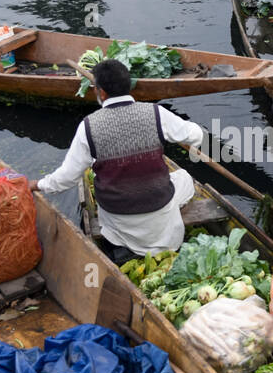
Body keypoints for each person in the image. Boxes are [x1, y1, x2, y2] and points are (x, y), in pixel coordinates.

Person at [29, 59, 205, 259]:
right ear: (128, 86)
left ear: (101, 93)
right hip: (160, 218)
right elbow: (196, 136)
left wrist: (38, 184)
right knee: (184, 178)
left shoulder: (88, 126)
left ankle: (123, 247)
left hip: (119, 219)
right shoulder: (155, 113)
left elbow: (67, 177)